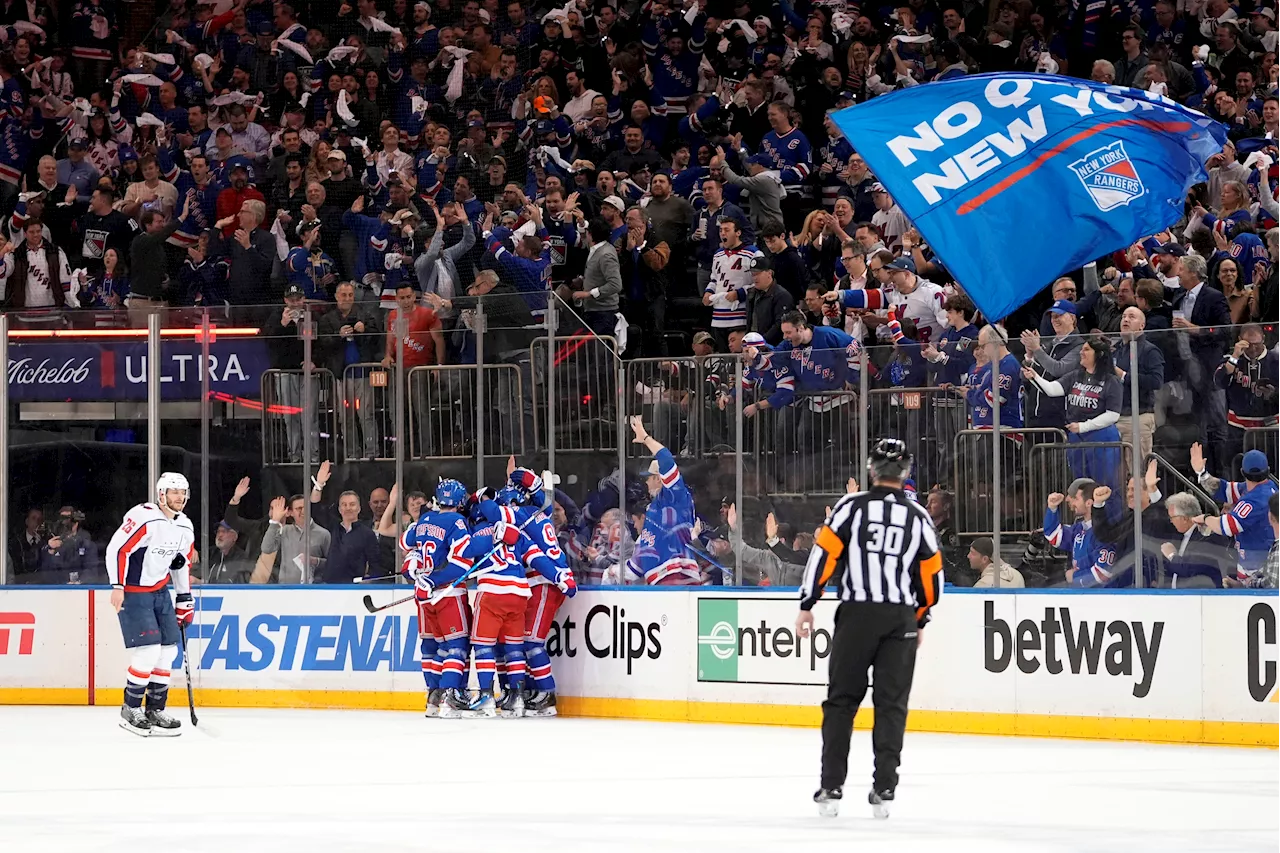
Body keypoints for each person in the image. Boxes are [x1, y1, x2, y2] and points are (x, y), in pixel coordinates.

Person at [798, 439, 942, 820]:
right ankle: (885, 787)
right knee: (891, 704)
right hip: (899, 618)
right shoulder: (918, 516)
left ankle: (831, 786)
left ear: (871, 469)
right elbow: (932, 576)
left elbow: (824, 554)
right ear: (906, 472)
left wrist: (807, 604)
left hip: (858, 615)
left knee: (842, 701)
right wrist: (921, 616)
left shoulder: (850, 506)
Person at [102, 473, 196, 737]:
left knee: (168, 650)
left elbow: (181, 564)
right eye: (173, 492)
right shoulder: (145, 517)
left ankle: (155, 709)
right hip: (133, 592)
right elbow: (118, 550)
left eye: (182, 492)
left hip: (159, 592)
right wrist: (117, 586)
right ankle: (130, 708)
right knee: (148, 651)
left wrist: (184, 598)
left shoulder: (185, 527)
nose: (179, 497)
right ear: (161, 494)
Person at [492, 466, 576, 716]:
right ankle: (531, 691)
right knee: (523, 640)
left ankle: (546, 695)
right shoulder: (540, 511)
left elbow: (490, 511)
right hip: (542, 581)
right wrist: (522, 478)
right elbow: (543, 497)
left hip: (544, 582)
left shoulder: (518, 516)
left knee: (530, 642)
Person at [401, 478, 479, 718]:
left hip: (423, 596)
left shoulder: (424, 519)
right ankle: (451, 697)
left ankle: (433, 698)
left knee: (432, 648)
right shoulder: (457, 521)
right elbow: (462, 564)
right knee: (456, 647)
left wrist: (414, 571)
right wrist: (435, 580)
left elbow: (407, 544)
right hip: (448, 593)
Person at [1022, 335, 1125, 505]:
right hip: (1076, 438)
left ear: (1098, 355)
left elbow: (1113, 414)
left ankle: (1110, 523)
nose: (1081, 352)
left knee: (1106, 485)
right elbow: (1053, 389)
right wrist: (1035, 377)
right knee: (1081, 484)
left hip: (1102, 439)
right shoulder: (1075, 375)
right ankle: (1086, 521)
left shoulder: (1111, 381)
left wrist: (1085, 426)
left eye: (1086, 349)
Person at [626, 415, 700, 585]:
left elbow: (666, 459)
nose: (646, 482)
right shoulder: (655, 507)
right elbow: (640, 559)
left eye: (650, 478)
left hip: (675, 575)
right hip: (659, 581)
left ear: (659, 479)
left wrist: (645, 438)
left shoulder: (675, 496)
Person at [1189, 444, 1279, 581]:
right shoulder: (1266, 487)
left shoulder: (1255, 500)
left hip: (1257, 570)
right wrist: (1201, 473)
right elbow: (1223, 489)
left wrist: (1206, 518)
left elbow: (1226, 526)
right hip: (1252, 564)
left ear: (1243, 472)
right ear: (1267, 471)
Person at [1044, 479, 1117, 587]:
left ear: (1089, 503)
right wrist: (1052, 508)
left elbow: (1102, 574)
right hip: (1081, 594)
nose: (1072, 502)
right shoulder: (1079, 528)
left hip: (1099, 598)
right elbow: (1053, 536)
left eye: (1076, 498)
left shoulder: (1105, 533)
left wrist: (1074, 577)